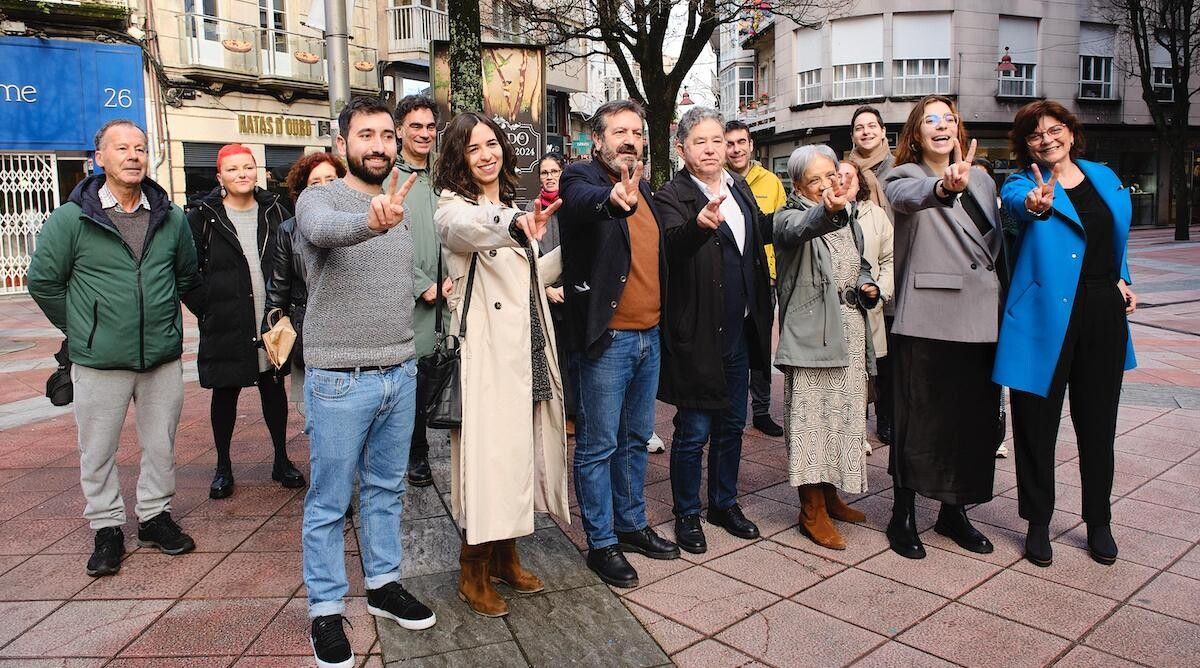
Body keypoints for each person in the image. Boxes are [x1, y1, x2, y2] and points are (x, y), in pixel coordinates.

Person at [294, 97, 436, 668]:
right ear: (342, 142)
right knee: (329, 502)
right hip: (337, 379)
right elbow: (325, 232)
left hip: (400, 372)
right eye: (366, 135)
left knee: (386, 490)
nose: (378, 145)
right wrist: (369, 220)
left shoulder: (401, 197)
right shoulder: (318, 198)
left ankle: (382, 584)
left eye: (385, 135)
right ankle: (325, 610)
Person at [27, 119, 198, 577]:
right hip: (98, 360)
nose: (133, 155)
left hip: (160, 357)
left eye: (140, 147)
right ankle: (106, 527)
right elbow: (43, 281)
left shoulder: (171, 216)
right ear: (99, 158)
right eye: (121, 148)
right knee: (97, 448)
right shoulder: (72, 218)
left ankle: (154, 517)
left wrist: (165, 320)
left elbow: (185, 275)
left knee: (160, 444)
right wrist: (84, 329)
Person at [433, 112, 569, 617]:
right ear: (458, 159)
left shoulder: (511, 205)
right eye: (474, 148)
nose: (487, 154)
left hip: (526, 344)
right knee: (488, 462)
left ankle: (508, 554)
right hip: (488, 354)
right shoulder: (454, 210)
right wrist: (512, 223)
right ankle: (473, 569)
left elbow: (525, 275)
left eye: (492, 144)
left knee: (518, 454)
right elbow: (469, 231)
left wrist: (572, 256)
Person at [996, 101, 1138, 567]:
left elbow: (1113, 237)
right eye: (1036, 135)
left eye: (1055, 130)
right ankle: (1038, 522)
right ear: (1026, 145)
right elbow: (1019, 210)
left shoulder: (1104, 177)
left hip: (1101, 311)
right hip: (1043, 314)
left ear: (1071, 134)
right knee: (1036, 424)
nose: (1047, 139)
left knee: (1098, 424)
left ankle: (1099, 521)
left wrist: (1123, 278)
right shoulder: (1022, 183)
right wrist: (1035, 205)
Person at [559, 100, 680, 588]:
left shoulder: (646, 187)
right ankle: (602, 542)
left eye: (637, 131)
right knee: (597, 444)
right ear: (599, 139)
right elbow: (588, 203)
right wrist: (613, 201)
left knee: (635, 439)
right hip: (607, 340)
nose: (630, 139)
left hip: (649, 336)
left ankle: (631, 526)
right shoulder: (579, 179)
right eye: (620, 131)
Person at [883, 95, 1008, 560]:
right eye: (930, 120)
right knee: (919, 422)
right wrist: (942, 189)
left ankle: (955, 512)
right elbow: (906, 199)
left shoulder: (982, 176)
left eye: (949, 119)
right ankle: (904, 514)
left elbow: (996, 243)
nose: (942, 126)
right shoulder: (904, 176)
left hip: (981, 316)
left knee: (971, 422)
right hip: (929, 315)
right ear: (915, 134)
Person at [653, 107, 772, 553]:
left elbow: (762, 232)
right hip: (698, 331)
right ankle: (687, 512)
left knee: (731, 424)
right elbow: (671, 246)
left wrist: (821, 214)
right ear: (682, 149)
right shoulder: (672, 195)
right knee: (693, 429)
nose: (711, 148)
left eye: (717, 140)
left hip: (741, 328)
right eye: (700, 141)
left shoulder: (739, 188)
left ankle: (724, 502)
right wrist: (698, 227)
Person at [774, 146, 879, 550]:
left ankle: (831, 494)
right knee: (811, 423)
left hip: (850, 328)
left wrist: (867, 285)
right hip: (812, 333)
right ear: (797, 184)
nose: (823, 185)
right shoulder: (791, 216)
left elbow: (858, 262)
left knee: (842, 419)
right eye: (813, 179)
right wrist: (829, 209)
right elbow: (800, 230)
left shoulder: (847, 215)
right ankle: (811, 509)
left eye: (828, 175)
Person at [187, 144, 304, 499]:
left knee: (274, 391)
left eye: (248, 167)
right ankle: (223, 465)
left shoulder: (274, 210)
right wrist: (206, 309)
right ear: (220, 176)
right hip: (225, 319)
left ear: (257, 172)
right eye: (234, 168)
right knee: (225, 394)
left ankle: (281, 459)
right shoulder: (202, 216)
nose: (243, 174)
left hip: (269, 317)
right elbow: (188, 272)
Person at [394, 94, 449, 488]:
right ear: (399, 130)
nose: (424, 133)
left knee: (436, 372)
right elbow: (384, 242)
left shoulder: (442, 179)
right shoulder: (389, 180)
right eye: (416, 126)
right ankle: (416, 453)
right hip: (410, 301)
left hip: (447, 297)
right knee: (410, 381)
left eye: (430, 126)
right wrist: (421, 285)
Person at [266, 152, 345, 418]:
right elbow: (278, 288)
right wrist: (274, 338)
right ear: (302, 192)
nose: (324, 187)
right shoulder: (289, 230)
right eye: (315, 182)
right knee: (316, 418)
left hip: (352, 332)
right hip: (308, 334)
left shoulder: (360, 222)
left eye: (331, 179)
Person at [724, 119, 787, 438]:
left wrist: (775, 274)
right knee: (730, 344)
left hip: (764, 279)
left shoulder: (771, 182)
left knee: (761, 346)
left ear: (751, 145)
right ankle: (727, 407)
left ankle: (761, 410)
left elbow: (779, 229)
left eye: (741, 142)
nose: (736, 149)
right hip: (729, 281)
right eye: (730, 143)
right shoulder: (718, 180)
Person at [845, 105, 897, 445]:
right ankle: (856, 424)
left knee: (888, 354)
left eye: (871, 126)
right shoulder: (843, 169)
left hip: (889, 264)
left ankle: (887, 418)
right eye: (859, 128)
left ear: (882, 131)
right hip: (855, 282)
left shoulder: (898, 167)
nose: (865, 132)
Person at [527, 153, 577, 436]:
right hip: (542, 296)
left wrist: (567, 288)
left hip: (572, 295)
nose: (549, 177)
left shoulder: (573, 207)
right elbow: (524, 258)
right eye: (544, 172)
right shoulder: (529, 210)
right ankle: (553, 416)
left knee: (574, 359)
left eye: (554, 171)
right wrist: (545, 289)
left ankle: (573, 413)